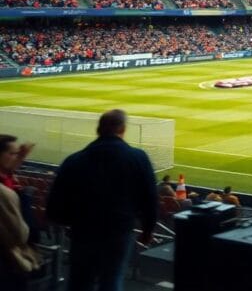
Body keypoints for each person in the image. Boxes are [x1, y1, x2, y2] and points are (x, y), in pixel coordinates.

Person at [47, 110, 158, 291]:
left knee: (79, 282)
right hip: (119, 231)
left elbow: (54, 206)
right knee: (111, 280)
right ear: (122, 129)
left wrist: (73, 223)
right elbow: (150, 198)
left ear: (98, 129)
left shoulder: (74, 160)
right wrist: (148, 229)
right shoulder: (138, 157)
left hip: (83, 232)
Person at [0, 135, 40, 290]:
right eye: (12, 153)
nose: (16, 157)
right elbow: (20, 235)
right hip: (7, 255)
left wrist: (20, 156)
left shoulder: (6, 176)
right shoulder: (5, 191)